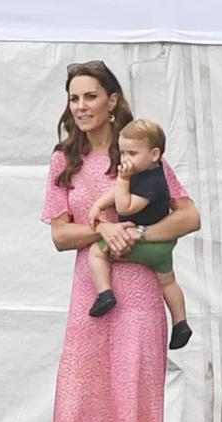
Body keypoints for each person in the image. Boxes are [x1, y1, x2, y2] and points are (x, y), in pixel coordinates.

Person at [42, 60, 200, 422]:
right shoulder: (62, 160)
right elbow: (61, 235)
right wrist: (102, 231)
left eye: (91, 96)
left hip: (138, 294)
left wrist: (137, 235)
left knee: (134, 407)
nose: (82, 106)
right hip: (90, 294)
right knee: (73, 413)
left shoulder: (137, 150)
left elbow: (190, 215)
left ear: (112, 99)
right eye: (74, 98)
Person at [86, 118, 192, 350]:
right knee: (168, 281)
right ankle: (181, 322)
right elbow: (115, 193)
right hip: (163, 247)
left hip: (143, 244)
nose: (125, 160)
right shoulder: (149, 173)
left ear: (154, 154)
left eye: (132, 153)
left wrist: (123, 180)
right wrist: (99, 205)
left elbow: (125, 207)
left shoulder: (152, 183)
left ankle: (105, 293)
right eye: (122, 153)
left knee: (96, 253)